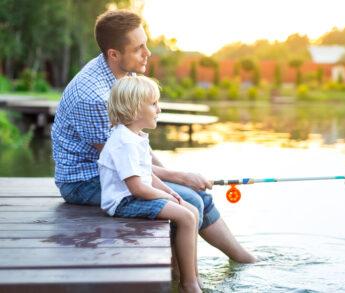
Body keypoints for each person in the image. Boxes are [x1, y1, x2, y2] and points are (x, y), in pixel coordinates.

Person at [51, 9, 257, 264]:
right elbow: (121, 160)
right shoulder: (93, 97)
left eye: (145, 44)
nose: (147, 53)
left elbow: (136, 146)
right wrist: (179, 178)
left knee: (197, 195)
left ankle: (242, 259)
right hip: (85, 181)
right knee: (189, 198)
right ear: (114, 54)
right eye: (139, 48)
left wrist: (172, 175)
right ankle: (180, 276)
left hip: (118, 168)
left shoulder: (125, 73)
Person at [99, 76, 201, 292]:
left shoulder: (136, 137)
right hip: (123, 202)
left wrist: (170, 191)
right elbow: (136, 188)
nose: (159, 109)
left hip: (136, 195)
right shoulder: (124, 142)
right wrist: (164, 197)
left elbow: (147, 175)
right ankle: (188, 285)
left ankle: (192, 276)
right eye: (153, 104)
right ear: (134, 109)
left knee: (192, 210)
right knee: (186, 217)